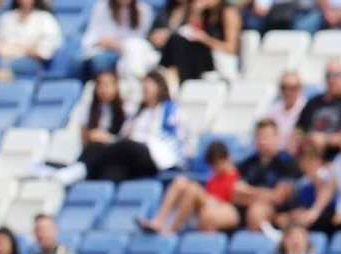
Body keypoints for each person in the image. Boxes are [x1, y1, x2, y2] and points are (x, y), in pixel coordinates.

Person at [53, 72, 185, 185]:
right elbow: (123, 137)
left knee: (122, 146)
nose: (145, 89)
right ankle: (84, 174)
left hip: (154, 154)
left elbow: (175, 139)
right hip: (130, 156)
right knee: (110, 170)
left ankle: (80, 168)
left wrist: (110, 139)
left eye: (149, 85)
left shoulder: (170, 110)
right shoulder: (137, 114)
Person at [139, 141, 242, 234]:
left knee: (193, 189)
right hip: (207, 204)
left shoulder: (237, 176)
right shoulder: (214, 177)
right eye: (213, 165)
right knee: (180, 181)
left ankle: (172, 229)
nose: (216, 168)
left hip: (223, 208)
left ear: (227, 159)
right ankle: (159, 220)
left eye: (218, 164)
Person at [232, 119, 300, 234]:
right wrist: (266, 194)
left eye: (266, 136)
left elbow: (278, 197)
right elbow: (236, 196)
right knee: (211, 215)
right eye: (258, 136)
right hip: (243, 209)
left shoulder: (287, 161)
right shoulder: (247, 163)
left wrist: (249, 191)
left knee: (256, 212)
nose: (262, 141)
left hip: (275, 212)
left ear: (276, 137)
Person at [150, 0, 239, 83]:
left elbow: (231, 48)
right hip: (201, 55)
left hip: (219, 58)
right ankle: (167, 76)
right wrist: (196, 11)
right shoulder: (206, 13)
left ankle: (177, 79)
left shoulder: (228, 13)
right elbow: (190, 29)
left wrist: (205, 39)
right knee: (177, 41)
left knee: (179, 43)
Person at [0, 0, 60, 82]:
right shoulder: (7, 18)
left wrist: (14, 50)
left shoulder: (45, 18)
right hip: (2, 59)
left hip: (31, 61)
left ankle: (0, 74)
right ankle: (0, 74)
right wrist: (23, 49)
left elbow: (41, 52)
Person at [77, 0, 152, 78]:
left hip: (132, 53)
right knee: (99, 60)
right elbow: (92, 35)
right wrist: (102, 42)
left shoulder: (143, 10)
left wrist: (119, 45)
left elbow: (141, 39)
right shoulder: (102, 7)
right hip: (106, 51)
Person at [265, 72, 305, 148]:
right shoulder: (273, 109)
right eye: (284, 87)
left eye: (292, 88)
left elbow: (302, 133)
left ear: (300, 89)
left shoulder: (306, 109)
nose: (288, 92)